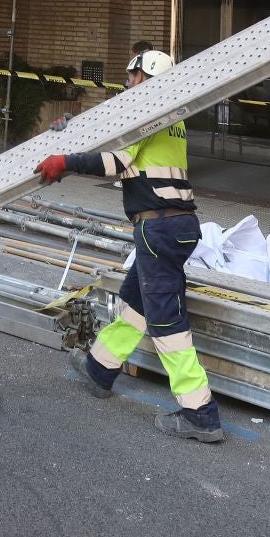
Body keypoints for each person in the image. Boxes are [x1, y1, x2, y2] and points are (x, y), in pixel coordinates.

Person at [34, 48, 225, 444]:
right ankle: (99, 369)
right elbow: (116, 136)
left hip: (159, 228)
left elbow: (115, 162)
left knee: (166, 321)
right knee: (135, 301)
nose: (127, 82)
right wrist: (71, 131)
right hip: (176, 225)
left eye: (132, 76)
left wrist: (65, 162)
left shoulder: (149, 113)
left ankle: (200, 414)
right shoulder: (173, 116)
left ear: (146, 77)